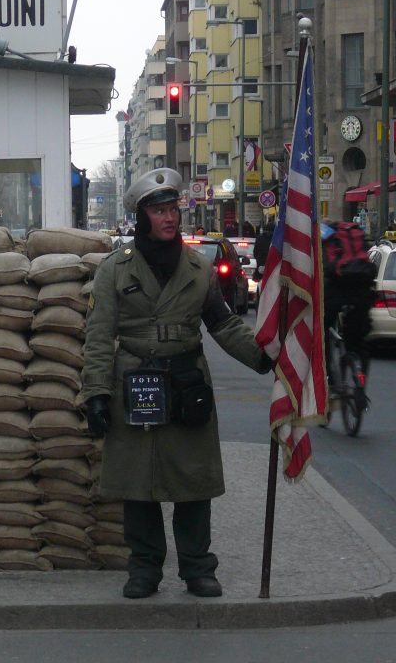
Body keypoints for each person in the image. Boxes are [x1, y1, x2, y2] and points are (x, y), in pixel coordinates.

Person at [81, 168, 271, 600]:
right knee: (139, 485)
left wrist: (262, 357)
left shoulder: (198, 267)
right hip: (136, 384)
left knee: (193, 482)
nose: (170, 218)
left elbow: (223, 323)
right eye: (160, 211)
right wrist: (95, 393)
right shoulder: (115, 270)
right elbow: (98, 335)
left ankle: (197, 568)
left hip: (187, 383)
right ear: (142, 217)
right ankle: (144, 569)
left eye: (173, 209)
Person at [320, 221, 375, 372]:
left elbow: (321, 267)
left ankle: (328, 376)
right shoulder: (356, 233)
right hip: (361, 289)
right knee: (358, 342)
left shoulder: (324, 236)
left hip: (337, 288)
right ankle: (361, 387)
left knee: (320, 330)